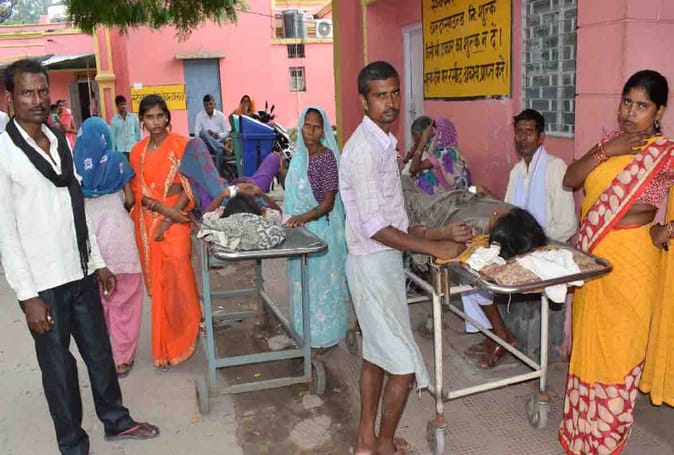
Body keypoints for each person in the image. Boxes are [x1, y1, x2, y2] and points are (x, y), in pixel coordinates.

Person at [0, 58, 158, 455]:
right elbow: (6, 233)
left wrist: (97, 262)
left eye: (42, 91)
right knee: (59, 369)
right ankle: (72, 445)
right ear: (10, 98)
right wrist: (28, 297)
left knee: (100, 353)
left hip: (80, 271)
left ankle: (116, 421)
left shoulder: (59, 141)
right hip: (43, 283)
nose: (37, 99)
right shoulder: (4, 153)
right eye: (26, 93)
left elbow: (76, 208)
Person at [340, 61, 469, 455]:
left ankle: (366, 442)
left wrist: (438, 234)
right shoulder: (362, 151)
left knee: (376, 356)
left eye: (395, 93)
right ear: (364, 101)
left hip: (385, 266)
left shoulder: (385, 143)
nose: (391, 102)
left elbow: (395, 218)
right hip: (370, 267)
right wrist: (432, 248)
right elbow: (375, 227)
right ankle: (382, 445)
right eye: (380, 96)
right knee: (403, 366)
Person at [558, 70, 674, 455]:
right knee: (589, 347)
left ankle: (606, 441)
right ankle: (580, 435)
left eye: (642, 106)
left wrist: (667, 230)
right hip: (594, 259)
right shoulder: (609, 142)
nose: (630, 112)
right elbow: (570, 179)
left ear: (659, 112)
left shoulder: (664, 153)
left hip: (634, 264)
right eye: (627, 102)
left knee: (619, 352)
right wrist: (607, 150)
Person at [460, 108, 577, 368]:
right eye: (519, 132)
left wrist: (532, 245)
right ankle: (495, 333)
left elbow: (568, 225)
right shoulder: (516, 171)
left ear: (541, 137)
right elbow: (511, 214)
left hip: (545, 249)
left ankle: (499, 336)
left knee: (482, 274)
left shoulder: (555, 168)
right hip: (519, 248)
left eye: (529, 132)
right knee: (470, 272)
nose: (523, 138)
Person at [128, 94, 201, 369]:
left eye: (160, 116)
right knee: (160, 285)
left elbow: (189, 186)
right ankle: (166, 346)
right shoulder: (137, 152)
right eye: (150, 117)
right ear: (142, 120)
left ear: (167, 116)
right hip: (149, 224)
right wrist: (160, 210)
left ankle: (186, 333)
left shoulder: (181, 145)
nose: (156, 122)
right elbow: (138, 192)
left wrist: (169, 219)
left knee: (180, 277)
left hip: (175, 222)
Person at [73, 117, 143, 378]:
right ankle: (122, 358)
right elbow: (130, 199)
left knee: (98, 305)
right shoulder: (116, 161)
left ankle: (103, 358)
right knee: (125, 301)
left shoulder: (74, 166)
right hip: (120, 241)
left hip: (92, 248)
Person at [285, 106, 348, 349]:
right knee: (302, 285)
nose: (310, 131)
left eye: (316, 127)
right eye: (307, 126)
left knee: (323, 286)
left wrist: (302, 217)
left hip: (322, 232)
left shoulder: (326, 158)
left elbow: (328, 203)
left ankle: (325, 338)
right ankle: (304, 333)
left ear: (323, 132)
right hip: (299, 231)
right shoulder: (299, 157)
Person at [179, 136, 281, 214]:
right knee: (275, 157)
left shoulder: (219, 207)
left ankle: (221, 150)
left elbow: (205, 216)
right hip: (249, 191)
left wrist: (222, 195)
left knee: (196, 142)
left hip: (223, 195)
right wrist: (259, 193)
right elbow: (279, 212)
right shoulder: (262, 209)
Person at [407, 116, 471, 194]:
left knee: (418, 177)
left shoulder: (444, 153)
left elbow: (413, 168)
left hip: (453, 195)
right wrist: (415, 146)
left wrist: (422, 142)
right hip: (456, 192)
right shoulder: (450, 150)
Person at [194, 94, 230, 175]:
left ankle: (217, 177)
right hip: (206, 145)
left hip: (218, 141)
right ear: (204, 105)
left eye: (210, 104)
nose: (208, 107)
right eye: (206, 105)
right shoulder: (199, 116)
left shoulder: (221, 116)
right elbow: (197, 134)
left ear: (214, 104)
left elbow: (227, 132)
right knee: (202, 133)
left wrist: (217, 135)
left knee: (219, 151)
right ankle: (222, 147)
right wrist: (207, 134)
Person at [110, 95, 142, 160]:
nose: (123, 106)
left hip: (133, 148)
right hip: (121, 150)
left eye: (125, 104)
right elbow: (113, 137)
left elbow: (138, 132)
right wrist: (113, 151)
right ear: (117, 106)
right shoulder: (114, 120)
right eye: (121, 104)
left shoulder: (133, 117)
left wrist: (141, 147)